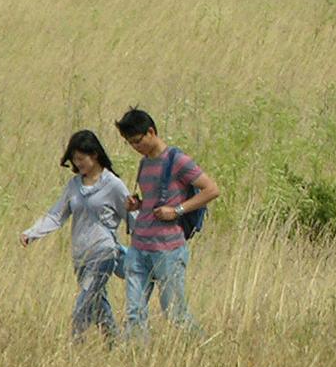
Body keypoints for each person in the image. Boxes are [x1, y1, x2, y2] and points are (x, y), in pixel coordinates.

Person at [115, 107, 220, 340]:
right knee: (134, 313)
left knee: (174, 314)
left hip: (168, 250)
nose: (135, 147)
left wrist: (178, 210)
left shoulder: (177, 160)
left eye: (137, 141)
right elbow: (155, 200)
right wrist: (138, 204)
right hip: (139, 247)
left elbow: (211, 189)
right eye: (130, 143)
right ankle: (136, 362)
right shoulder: (145, 163)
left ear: (151, 132)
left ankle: (202, 347)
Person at [21, 130, 129, 341]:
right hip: (81, 255)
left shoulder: (113, 184)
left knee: (85, 300)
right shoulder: (74, 186)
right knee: (98, 302)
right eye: (74, 160)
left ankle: (74, 344)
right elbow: (56, 215)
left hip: (104, 251)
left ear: (94, 155)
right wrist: (32, 233)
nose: (78, 164)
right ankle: (114, 343)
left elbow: (132, 215)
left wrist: (148, 244)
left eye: (81, 159)